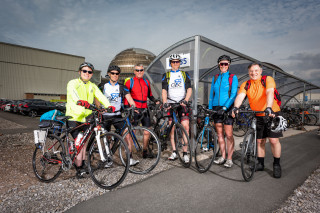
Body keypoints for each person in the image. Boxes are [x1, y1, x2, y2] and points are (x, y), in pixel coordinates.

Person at [231, 62, 282, 178]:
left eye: (256, 70)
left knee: (274, 141)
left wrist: (268, 107)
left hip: (272, 113)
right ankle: (260, 163)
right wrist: (236, 107)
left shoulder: (267, 79)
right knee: (260, 141)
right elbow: (240, 96)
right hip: (258, 114)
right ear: (249, 73)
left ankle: (277, 164)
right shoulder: (246, 84)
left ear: (261, 71)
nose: (254, 73)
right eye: (251, 71)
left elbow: (269, 92)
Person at [66, 62, 112, 178]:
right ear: (80, 72)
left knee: (84, 144)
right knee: (79, 142)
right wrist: (80, 101)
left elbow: (101, 96)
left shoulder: (92, 86)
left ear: (92, 74)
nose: (87, 73)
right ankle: (78, 167)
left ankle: (80, 165)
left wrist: (108, 105)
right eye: (84, 71)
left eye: (89, 72)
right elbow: (73, 93)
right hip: (73, 117)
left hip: (86, 118)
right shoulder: (73, 83)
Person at [99, 65, 140, 166]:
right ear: (109, 74)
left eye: (117, 74)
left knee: (127, 135)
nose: (115, 75)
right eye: (112, 73)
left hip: (117, 115)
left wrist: (134, 106)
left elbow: (129, 98)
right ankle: (108, 158)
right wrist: (99, 107)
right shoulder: (103, 86)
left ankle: (129, 159)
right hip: (105, 116)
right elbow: (96, 97)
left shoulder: (122, 87)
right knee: (106, 138)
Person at [124, 63, 160, 158]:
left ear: (143, 71)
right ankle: (130, 154)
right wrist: (128, 109)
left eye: (141, 70)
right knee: (132, 132)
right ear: (134, 71)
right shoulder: (130, 82)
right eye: (137, 70)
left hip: (144, 109)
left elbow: (150, 95)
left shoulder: (147, 82)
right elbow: (126, 97)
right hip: (134, 110)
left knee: (147, 131)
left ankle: (144, 151)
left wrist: (155, 100)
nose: (139, 72)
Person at [162, 54, 192, 163]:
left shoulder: (184, 74)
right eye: (173, 62)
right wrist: (165, 102)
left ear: (180, 63)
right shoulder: (166, 75)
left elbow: (189, 88)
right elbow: (164, 90)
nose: (175, 64)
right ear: (170, 63)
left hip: (182, 103)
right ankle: (174, 151)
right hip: (170, 103)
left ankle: (185, 153)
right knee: (172, 127)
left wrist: (186, 100)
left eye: (177, 62)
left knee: (186, 126)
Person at [209, 55, 238, 168]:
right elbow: (212, 94)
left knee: (229, 135)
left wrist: (225, 108)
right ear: (218, 65)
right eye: (222, 64)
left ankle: (229, 159)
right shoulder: (215, 77)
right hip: (216, 108)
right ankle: (223, 156)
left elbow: (233, 94)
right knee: (220, 134)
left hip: (228, 107)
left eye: (226, 64)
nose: (223, 66)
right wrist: (211, 108)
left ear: (229, 65)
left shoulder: (232, 77)